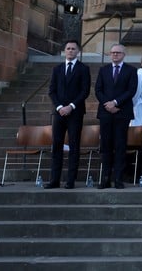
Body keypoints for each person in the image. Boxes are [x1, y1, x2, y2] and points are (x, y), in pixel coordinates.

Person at [46, 40, 91, 189]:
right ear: (64, 51)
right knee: (57, 146)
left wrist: (71, 106)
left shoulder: (83, 69)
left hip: (75, 112)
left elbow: (84, 91)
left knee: (74, 146)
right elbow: (52, 91)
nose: (70, 51)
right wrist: (59, 107)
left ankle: (70, 180)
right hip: (59, 113)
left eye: (73, 49)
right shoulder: (57, 69)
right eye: (68, 48)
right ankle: (54, 180)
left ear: (78, 51)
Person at [94, 44, 138, 189]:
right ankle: (105, 178)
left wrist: (115, 102)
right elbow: (98, 90)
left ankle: (118, 178)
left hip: (122, 112)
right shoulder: (103, 70)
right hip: (105, 113)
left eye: (118, 53)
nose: (115, 55)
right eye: (112, 53)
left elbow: (131, 90)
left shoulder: (131, 70)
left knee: (120, 145)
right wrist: (108, 104)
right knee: (106, 146)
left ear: (124, 54)